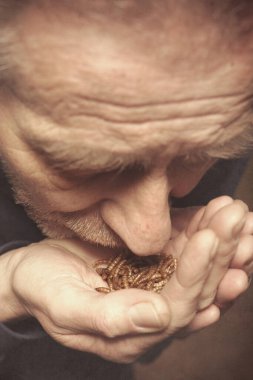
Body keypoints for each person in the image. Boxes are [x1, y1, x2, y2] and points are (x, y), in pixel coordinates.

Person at [0, 1, 252, 379]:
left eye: (203, 154)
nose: (150, 237)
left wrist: (142, 327)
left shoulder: (209, 105)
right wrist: (7, 289)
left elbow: (118, 344)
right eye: (88, 167)